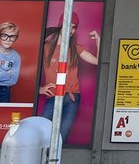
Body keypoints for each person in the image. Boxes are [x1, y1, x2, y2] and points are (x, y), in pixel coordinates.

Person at [39, 12, 99, 143]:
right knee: (42, 132)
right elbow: (30, 67)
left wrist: (98, 39)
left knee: (62, 137)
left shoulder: (75, 48)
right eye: (68, 25)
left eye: (73, 27)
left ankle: (55, 157)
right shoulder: (45, 47)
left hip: (72, 98)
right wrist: (40, 89)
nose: (70, 30)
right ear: (61, 25)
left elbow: (98, 61)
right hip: (54, 96)